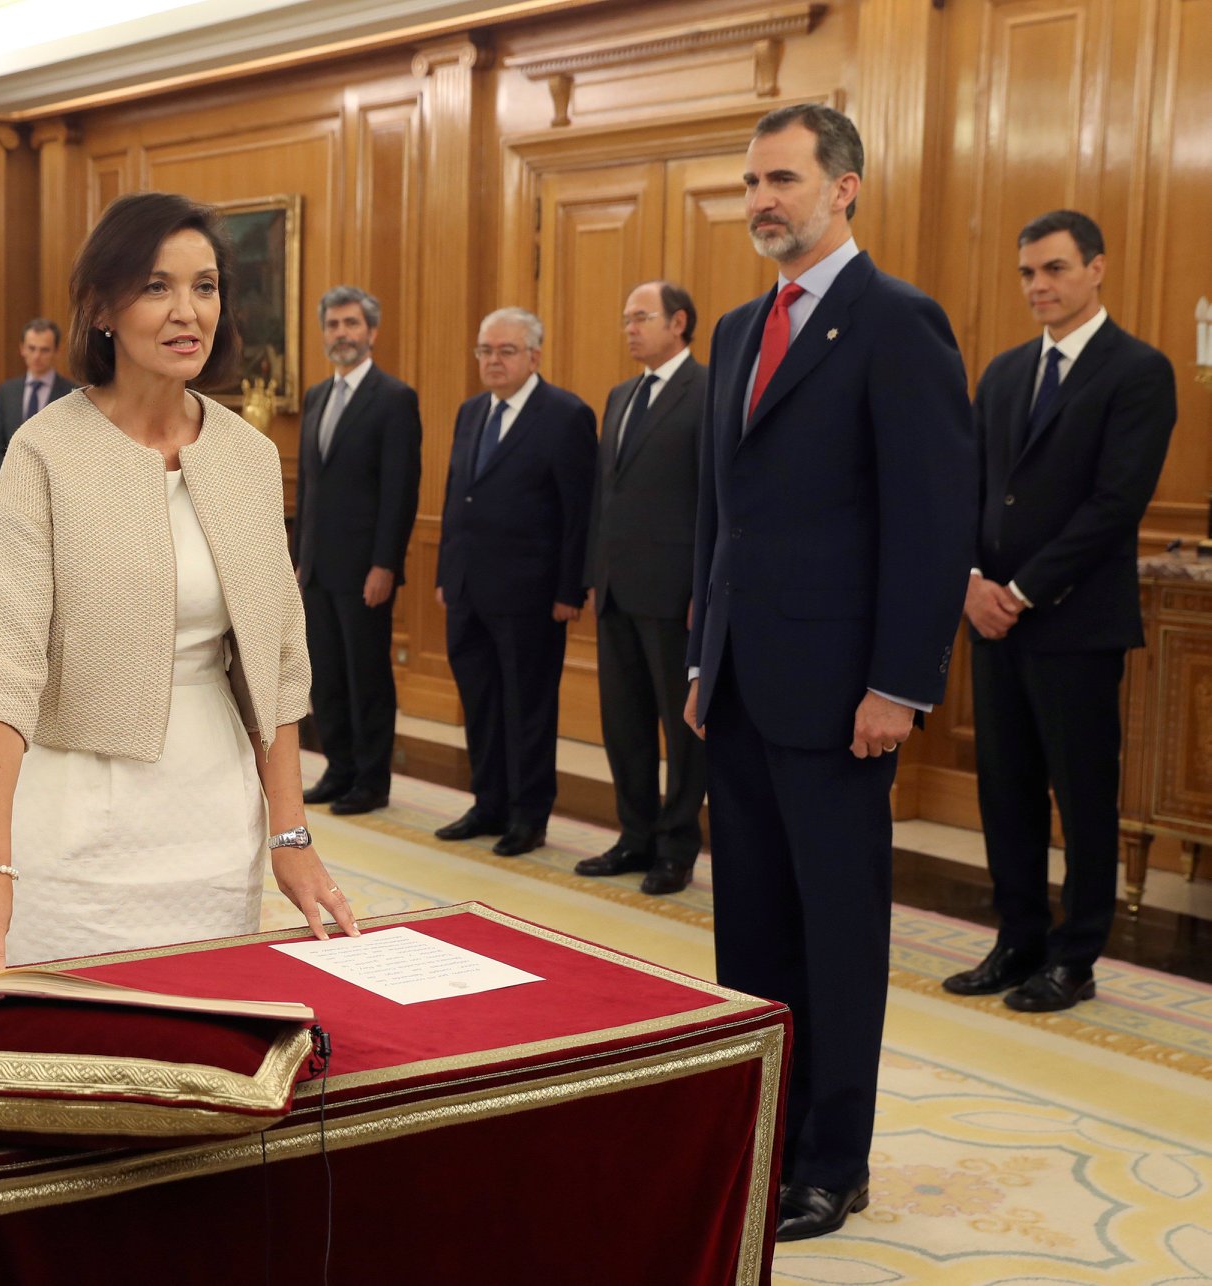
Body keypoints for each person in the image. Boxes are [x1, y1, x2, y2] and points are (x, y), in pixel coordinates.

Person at [684, 104, 975, 1240]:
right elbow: (720, 514)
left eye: (783, 179)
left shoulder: (896, 321)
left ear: (842, 188)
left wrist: (898, 684)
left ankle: (830, 1161)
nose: (762, 200)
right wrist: (702, 655)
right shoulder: (731, 331)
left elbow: (929, 518)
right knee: (751, 932)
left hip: (841, 693)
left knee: (837, 936)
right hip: (740, 684)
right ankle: (767, 1133)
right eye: (751, 182)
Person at [0, 191, 359, 970]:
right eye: (156, 286)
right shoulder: (44, 454)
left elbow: (274, 664)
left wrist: (290, 834)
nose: (186, 312)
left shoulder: (246, 457)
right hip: (77, 819)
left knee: (205, 1017)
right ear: (101, 306)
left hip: (212, 815)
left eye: (204, 287)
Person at [946, 210, 1176, 1013]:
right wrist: (971, 581)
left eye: (1053, 269)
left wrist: (1020, 592)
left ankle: (1074, 958)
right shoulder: (1005, 371)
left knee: (1080, 797)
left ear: (1095, 268)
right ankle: (1016, 938)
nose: (1037, 286)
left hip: (1074, 624)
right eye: (1026, 273)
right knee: (1003, 788)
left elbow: (1115, 504)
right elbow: (971, 488)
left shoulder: (1137, 371)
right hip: (989, 619)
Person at [433, 307, 597, 858]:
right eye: (485, 350)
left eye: (506, 351)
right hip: (468, 589)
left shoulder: (565, 414)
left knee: (527, 709)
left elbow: (578, 512)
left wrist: (569, 591)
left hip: (532, 595)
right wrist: (447, 572)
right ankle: (488, 804)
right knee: (480, 703)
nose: (493, 361)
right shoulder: (471, 410)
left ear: (534, 356)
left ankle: (529, 816)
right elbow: (458, 495)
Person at [575, 281, 708, 896]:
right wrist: (593, 575)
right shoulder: (621, 394)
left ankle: (676, 847)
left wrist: (704, 589)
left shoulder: (706, 390)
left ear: (678, 322)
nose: (629, 328)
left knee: (681, 732)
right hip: (618, 590)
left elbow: (712, 499)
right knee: (623, 723)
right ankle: (634, 835)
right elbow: (606, 493)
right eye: (626, 318)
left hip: (675, 594)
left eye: (641, 317)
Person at [294, 286, 422, 817]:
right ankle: (339, 768)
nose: (341, 333)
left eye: (351, 324)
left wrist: (385, 564)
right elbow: (309, 485)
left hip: (365, 568)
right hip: (317, 567)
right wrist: (299, 558)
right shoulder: (317, 396)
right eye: (333, 324)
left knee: (366, 676)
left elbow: (400, 491)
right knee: (326, 675)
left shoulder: (394, 399)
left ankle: (371, 780)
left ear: (372, 331)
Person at [0, 319, 77, 480]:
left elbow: (74, 448)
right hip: (11, 483)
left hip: (57, 484)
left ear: (56, 351)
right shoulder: (7, 392)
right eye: (32, 348)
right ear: (22, 348)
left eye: (44, 350)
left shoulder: (72, 393)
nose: (37, 356)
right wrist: (5, 483)